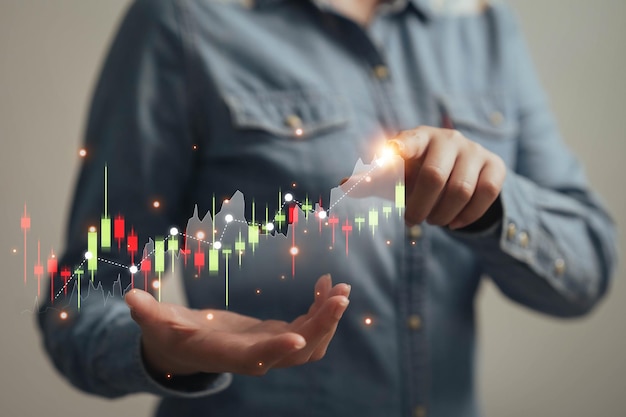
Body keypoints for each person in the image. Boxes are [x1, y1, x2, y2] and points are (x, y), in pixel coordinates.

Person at [38, 0, 617, 416]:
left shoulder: (485, 25)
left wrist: (492, 205)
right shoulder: (183, 20)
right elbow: (82, 300)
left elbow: (587, 265)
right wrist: (161, 354)